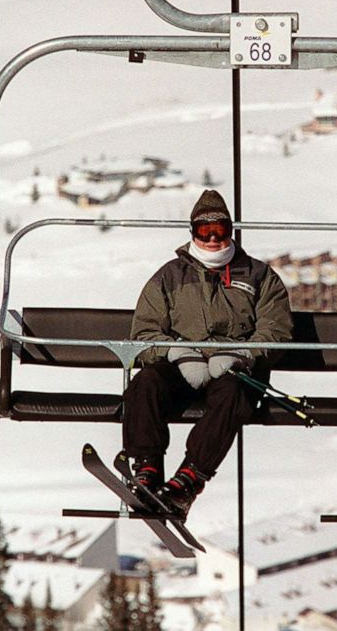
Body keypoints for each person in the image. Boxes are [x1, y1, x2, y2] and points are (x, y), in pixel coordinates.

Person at [122, 189, 293, 517]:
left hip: (233, 369)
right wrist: (175, 352)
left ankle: (189, 479)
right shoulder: (169, 277)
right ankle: (147, 467)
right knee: (147, 382)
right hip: (184, 367)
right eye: (205, 231)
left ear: (231, 231)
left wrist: (245, 353)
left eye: (221, 230)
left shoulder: (258, 276)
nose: (213, 239)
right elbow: (144, 332)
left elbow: (277, 329)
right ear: (193, 233)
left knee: (233, 392)